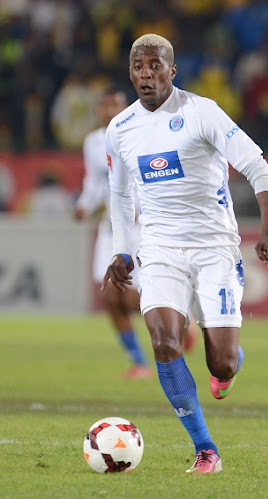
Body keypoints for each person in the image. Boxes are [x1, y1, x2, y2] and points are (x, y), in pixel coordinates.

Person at [102, 34, 268, 474]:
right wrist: (123, 253)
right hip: (159, 247)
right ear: (130, 72)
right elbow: (121, 196)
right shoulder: (120, 129)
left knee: (219, 361)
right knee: (164, 342)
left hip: (214, 246)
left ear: (172, 70)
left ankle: (229, 364)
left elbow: (259, 167)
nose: (147, 74)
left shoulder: (201, 112)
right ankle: (206, 449)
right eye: (139, 67)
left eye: (155, 66)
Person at [75, 87, 197, 379]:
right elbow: (95, 184)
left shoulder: (143, 132)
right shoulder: (93, 142)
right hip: (110, 229)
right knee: (109, 298)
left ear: (125, 107)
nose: (109, 110)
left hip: (143, 228)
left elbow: (157, 174)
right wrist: (83, 205)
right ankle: (139, 363)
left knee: (136, 296)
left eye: (114, 104)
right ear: (98, 111)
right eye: (104, 105)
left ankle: (181, 322)